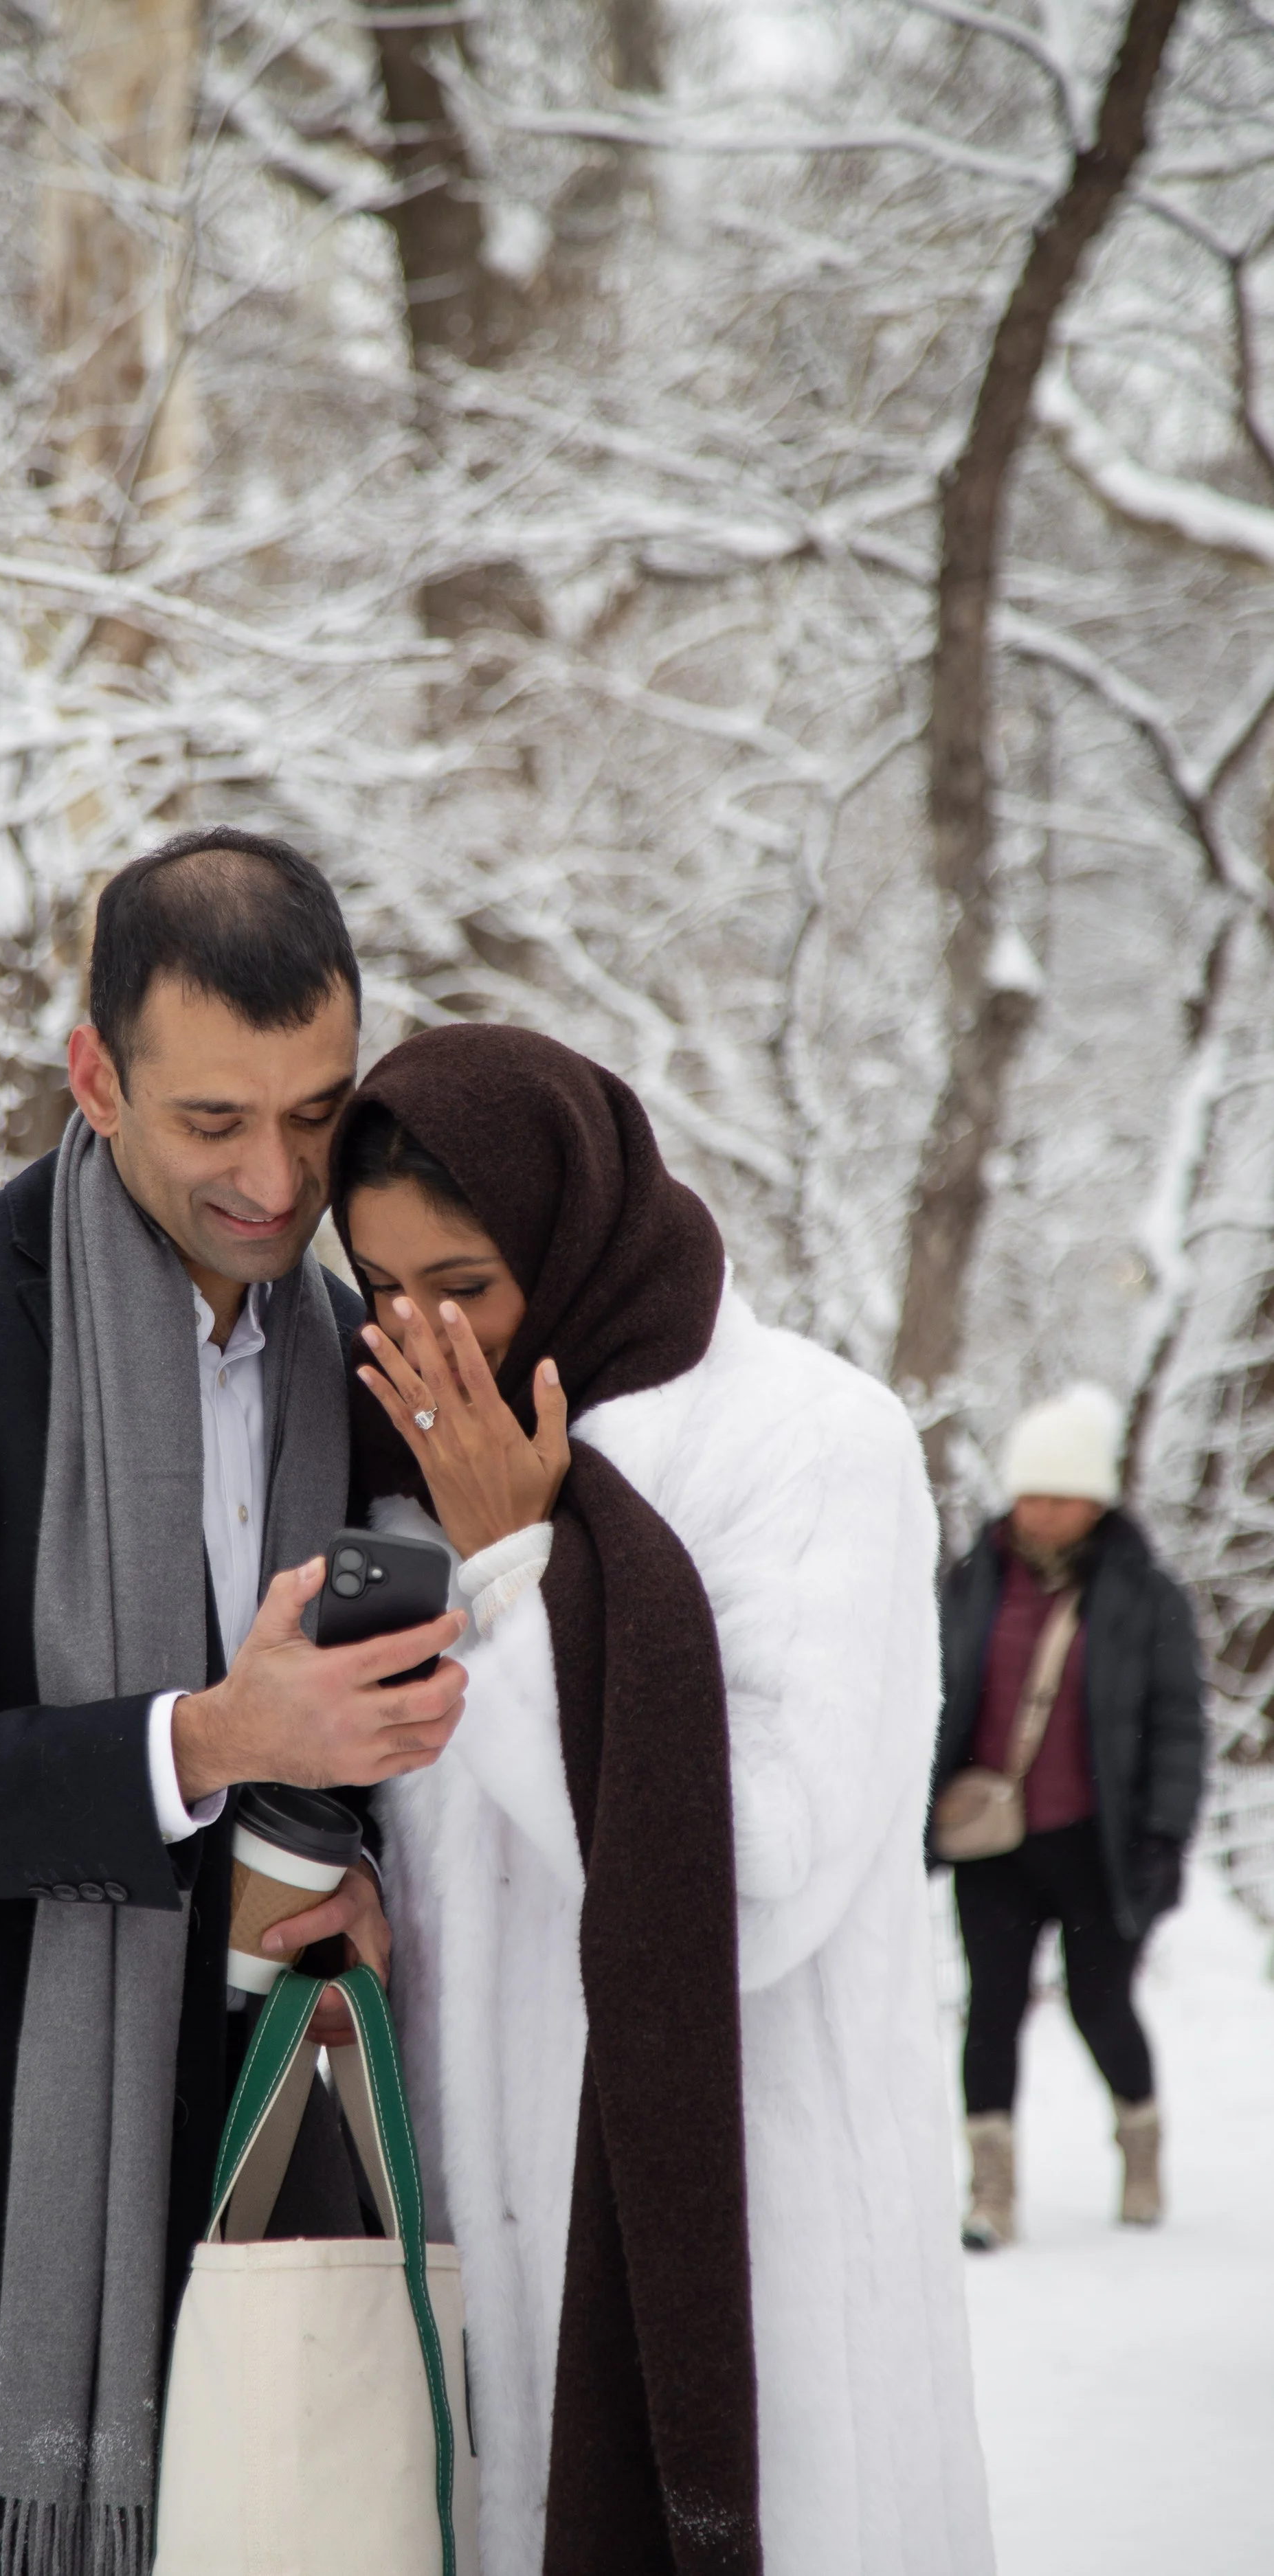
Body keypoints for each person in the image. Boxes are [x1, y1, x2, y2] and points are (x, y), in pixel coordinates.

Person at [0, 831, 469, 2576]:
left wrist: (370, 1873)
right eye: (213, 1120)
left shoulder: (357, 1366)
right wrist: (209, 1741)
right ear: (94, 1075)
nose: (276, 1180)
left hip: (253, 2163)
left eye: (316, 1112)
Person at [331, 1026, 994, 2576]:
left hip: (750, 2266)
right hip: (482, 2273)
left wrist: (512, 1579)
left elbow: (749, 1884)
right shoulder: (393, 1464)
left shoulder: (806, 1445)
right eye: (378, 1290)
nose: (422, 1339)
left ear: (571, 1236)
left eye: (466, 1286)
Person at [928, 1384, 1205, 2250]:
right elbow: (932, 1698)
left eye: (1062, 1494)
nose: (1042, 1510)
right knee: (992, 2008)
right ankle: (991, 2191)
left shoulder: (1144, 1595)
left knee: (1100, 2006)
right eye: (1030, 1492)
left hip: (1099, 1846)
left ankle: (1140, 2144)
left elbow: (1176, 1723)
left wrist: (1164, 1837)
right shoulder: (971, 1580)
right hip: (993, 1846)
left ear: (1095, 1500)